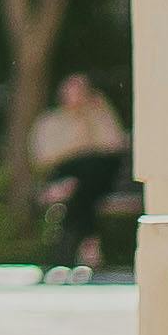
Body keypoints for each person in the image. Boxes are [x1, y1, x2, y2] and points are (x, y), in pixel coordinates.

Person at [32, 66, 133, 277]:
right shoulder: (51, 121)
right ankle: (90, 245)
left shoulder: (99, 114)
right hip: (67, 172)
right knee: (85, 176)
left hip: (94, 176)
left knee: (90, 173)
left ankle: (67, 251)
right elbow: (45, 157)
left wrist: (97, 114)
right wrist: (80, 146)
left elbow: (114, 146)